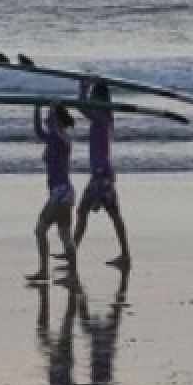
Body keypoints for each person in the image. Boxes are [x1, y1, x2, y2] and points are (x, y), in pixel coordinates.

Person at [71, 79, 131, 269]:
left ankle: (71, 254)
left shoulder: (101, 117)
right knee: (112, 215)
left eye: (93, 95)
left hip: (100, 174)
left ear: (99, 98)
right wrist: (86, 87)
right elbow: (85, 106)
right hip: (104, 172)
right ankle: (125, 255)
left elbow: (82, 106)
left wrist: (82, 87)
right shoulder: (106, 118)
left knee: (85, 212)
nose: (91, 98)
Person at [26, 102, 77, 282]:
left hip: (61, 193)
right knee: (64, 235)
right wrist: (37, 109)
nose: (48, 120)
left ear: (56, 120)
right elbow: (39, 131)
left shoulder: (62, 139)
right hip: (61, 192)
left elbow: (52, 129)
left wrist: (51, 109)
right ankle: (71, 275)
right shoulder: (55, 138)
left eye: (51, 118)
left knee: (41, 230)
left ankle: (46, 271)